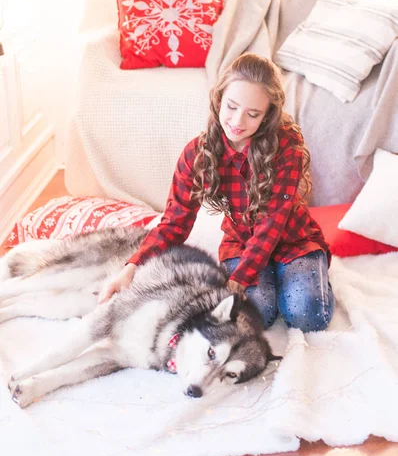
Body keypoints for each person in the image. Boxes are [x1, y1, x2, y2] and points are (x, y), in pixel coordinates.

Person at [99, 53, 334, 332]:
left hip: (293, 240)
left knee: (307, 314)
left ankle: (305, 275)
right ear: (219, 98)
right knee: (259, 313)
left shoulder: (286, 145)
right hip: (242, 244)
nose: (237, 120)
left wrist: (240, 279)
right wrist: (131, 269)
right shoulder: (197, 154)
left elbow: (273, 222)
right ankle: (278, 280)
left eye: (253, 113)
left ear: (268, 114)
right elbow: (174, 222)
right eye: (231, 106)